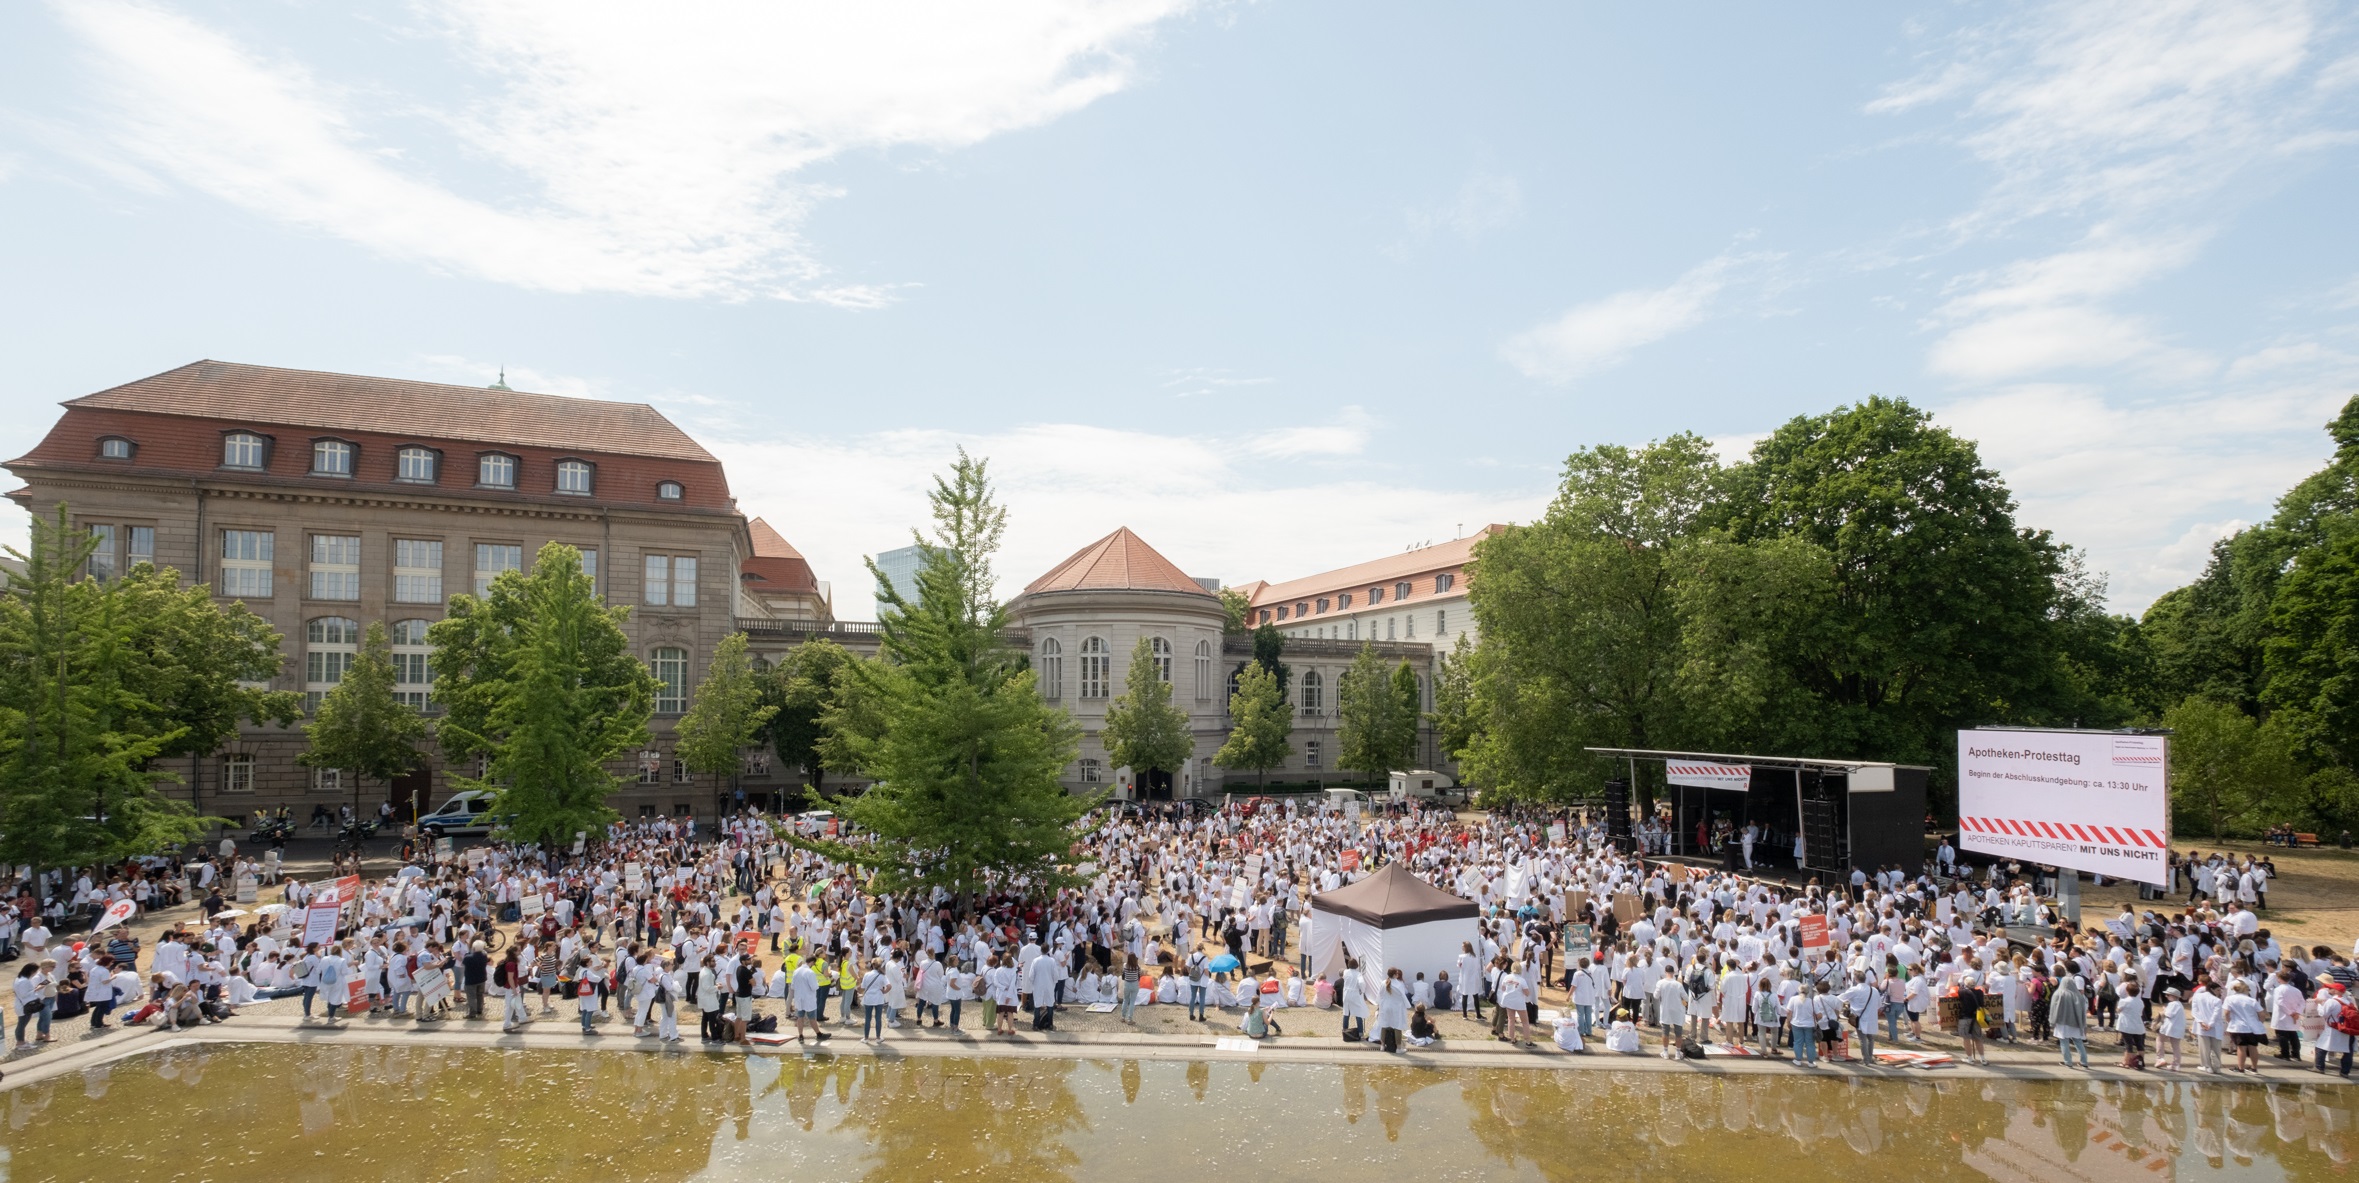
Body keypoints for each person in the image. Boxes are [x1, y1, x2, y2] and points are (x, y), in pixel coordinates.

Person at [1375, 967, 1410, 1053]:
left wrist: (1379, 1004)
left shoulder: (1383, 983)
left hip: (1385, 1007)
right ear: (1395, 974)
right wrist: (1407, 1005)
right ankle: (1398, 1048)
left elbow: (1380, 995)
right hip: (1396, 1008)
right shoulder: (1399, 984)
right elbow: (1403, 996)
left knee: (1384, 1025)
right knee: (1397, 1026)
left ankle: (1382, 1046)